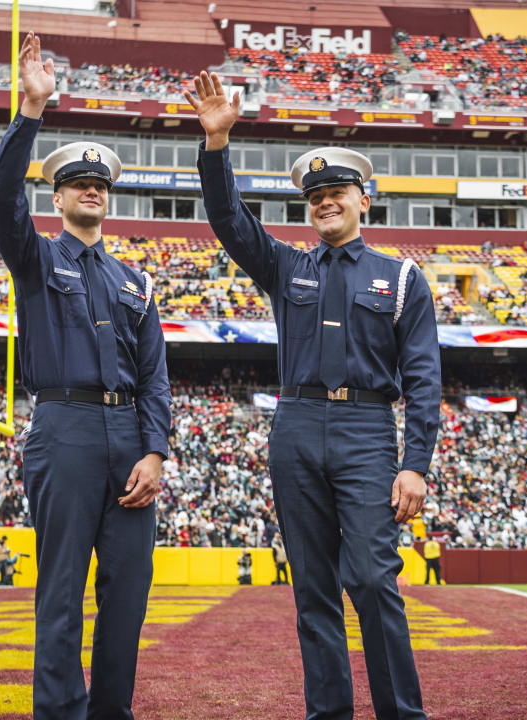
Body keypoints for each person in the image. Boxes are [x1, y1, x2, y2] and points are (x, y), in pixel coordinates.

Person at [187, 70, 440, 720]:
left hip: (366, 431)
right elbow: (228, 221)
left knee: (373, 581)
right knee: (314, 592)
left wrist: (415, 462)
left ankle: (401, 714)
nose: (326, 201)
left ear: (364, 200)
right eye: (316, 194)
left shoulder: (402, 278)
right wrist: (217, 145)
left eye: (338, 191)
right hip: (296, 426)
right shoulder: (287, 267)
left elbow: (423, 378)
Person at [0, 33, 171, 720]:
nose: (91, 189)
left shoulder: (135, 281)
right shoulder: (34, 257)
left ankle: (110, 714)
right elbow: (2, 195)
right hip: (62, 427)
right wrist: (31, 109)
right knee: (60, 589)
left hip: (129, 438)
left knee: (128, 593)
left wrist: (155, 450)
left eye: (100, 184)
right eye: (77, 184)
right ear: (58, 198)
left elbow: (155, 376)